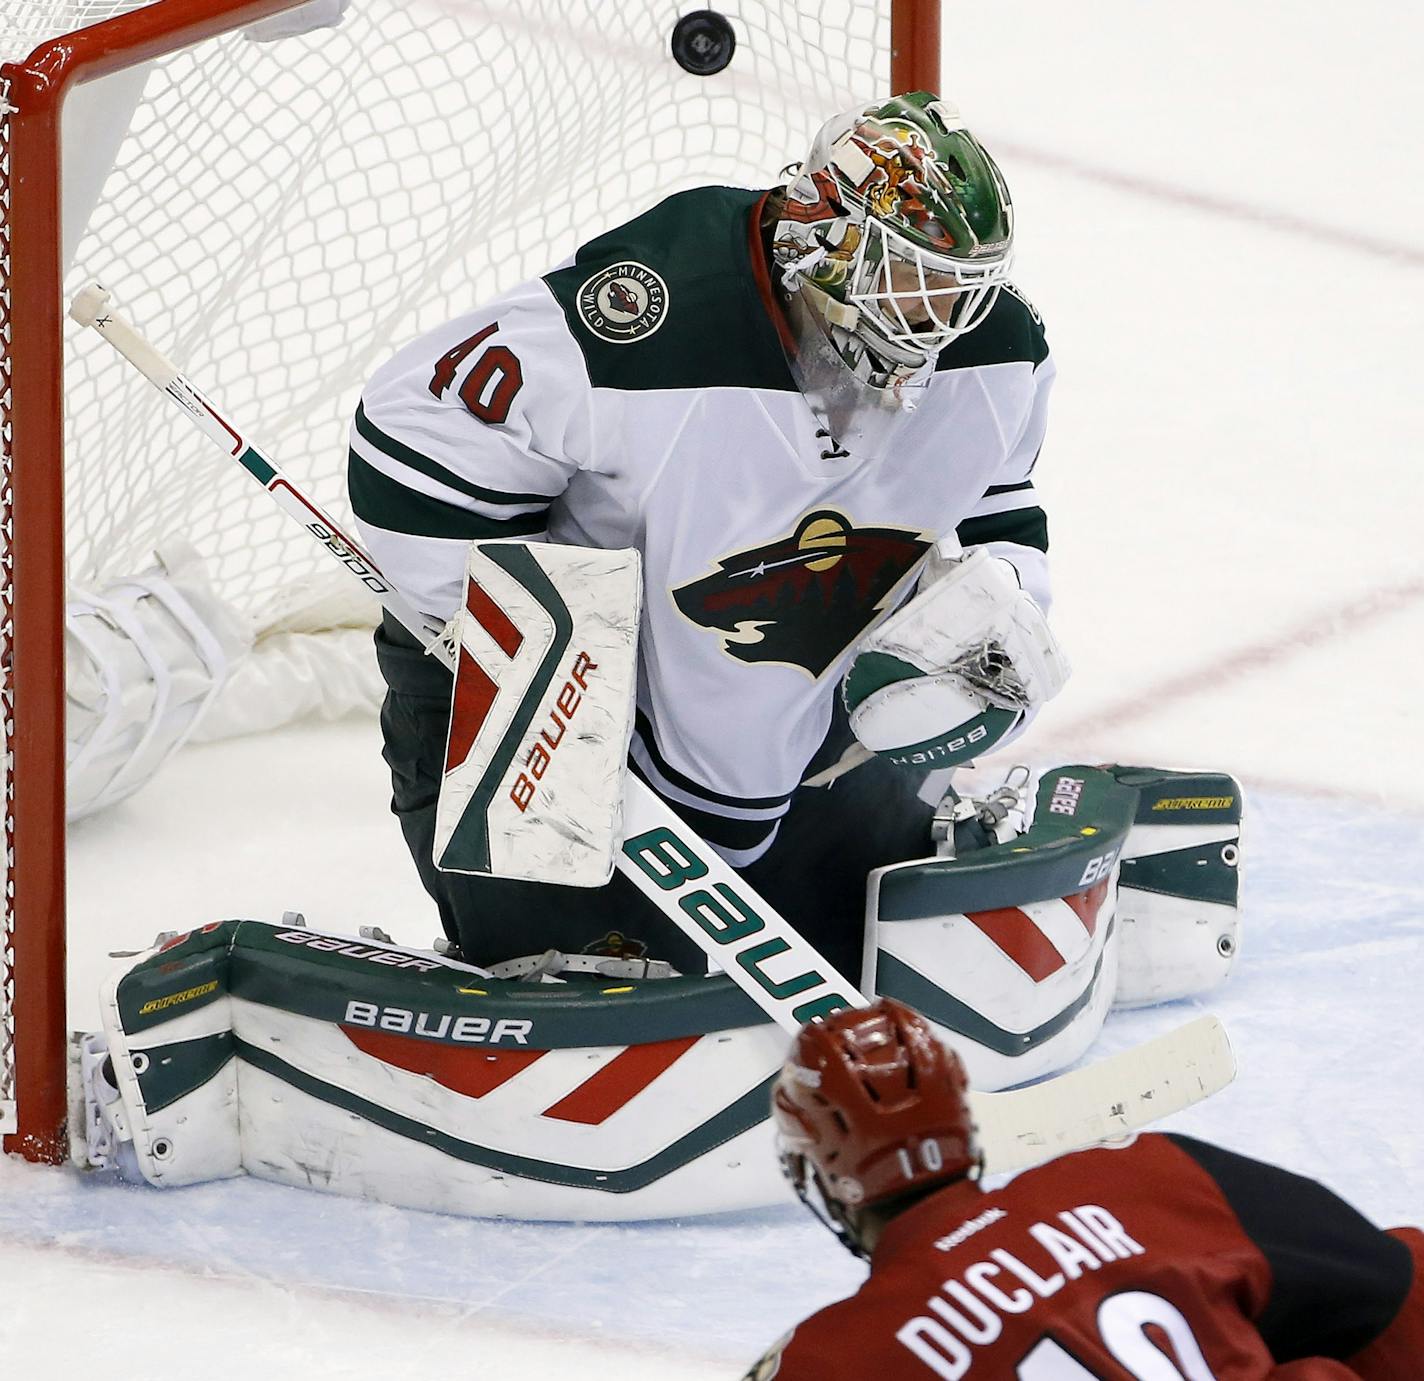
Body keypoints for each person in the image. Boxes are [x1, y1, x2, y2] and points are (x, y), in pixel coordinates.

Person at [350, 92, 1062, 977]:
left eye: (960, 285)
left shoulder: (995, 348)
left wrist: (1004, 601)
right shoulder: (655, 313)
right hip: (567, 711)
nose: (942, 317)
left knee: (849, 957)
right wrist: (519, 644)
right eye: (912, 277)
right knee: (596, 983)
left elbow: (1000, 500)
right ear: (823, 237)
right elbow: (413, 425)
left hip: (793, 715)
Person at [748, 998, 1424, 1379]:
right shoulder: (1141, 1177)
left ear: (822, 1178)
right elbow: (1397, 1285)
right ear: (965, 1119)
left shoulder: (827, 1359)